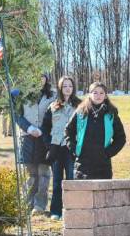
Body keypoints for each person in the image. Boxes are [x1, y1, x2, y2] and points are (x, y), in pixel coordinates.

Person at [65, 82, 126, 180]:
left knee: (103, 194)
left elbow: (121, 138)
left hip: (103, 165)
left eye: (102, 93)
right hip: (82, 164)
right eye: (95, 93)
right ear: (89, 95)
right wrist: (76, 150)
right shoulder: (80, 112)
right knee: (83, 193)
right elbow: (68, 131)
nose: (98, 96)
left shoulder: (111, 114)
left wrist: (108, 153)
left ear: (106, 96)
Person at [41, 76, 81, 220]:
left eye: (70, 86)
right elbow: (45, 127)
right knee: (57, 181)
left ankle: (71, 211)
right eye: (64, 86)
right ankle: (56, 211)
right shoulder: (53, 106)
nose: (67, 88)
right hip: (56, 148)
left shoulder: (80, 105)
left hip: (72, 149)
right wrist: (48, 144)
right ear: (60, 88)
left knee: (71, 180)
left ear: (73, 87)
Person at [15, 73, 54, 215]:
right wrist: (29, 128)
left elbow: (56, 114)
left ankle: (39, 205)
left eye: (42, 76)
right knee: (31, 173)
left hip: (45, 139)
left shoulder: (53, 95)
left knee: (43, 173)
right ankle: (28, 203)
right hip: (28, 138)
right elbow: (17, 115)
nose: (39, 79)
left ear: (46, 78)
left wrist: (44, 130)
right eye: (35, 75)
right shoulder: (22, 95)